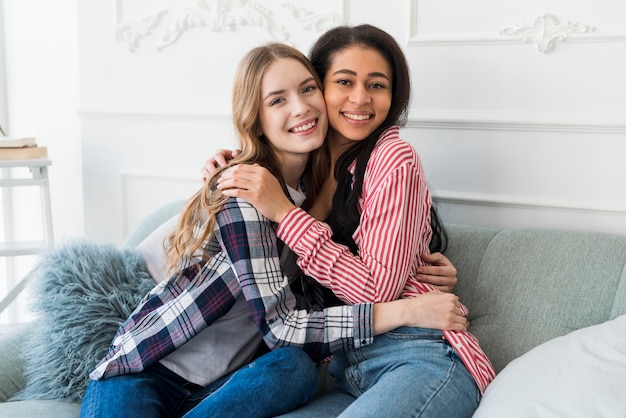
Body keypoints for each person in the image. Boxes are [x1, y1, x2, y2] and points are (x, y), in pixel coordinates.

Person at [80, 43, 465, 418]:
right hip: (148, 371)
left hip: (230, 382)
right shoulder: (243, 192)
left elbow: (363, 265)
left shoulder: (326, 194)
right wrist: (405, 310)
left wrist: (419, 261)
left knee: (294, 368)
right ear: (256, 120)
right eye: (277, 100)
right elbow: (283, 327)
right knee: (292, 357)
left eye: (307, 89)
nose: (300, 107)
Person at [213, 24, 496, 417]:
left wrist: (286, 214)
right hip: (346, 369)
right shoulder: (305, 164)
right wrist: (229, 167)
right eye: (344, 81)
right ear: (317, 87)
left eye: (377, 85)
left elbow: (377, 289)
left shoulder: (392, 158)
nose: (360, 99)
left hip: (419, 355)